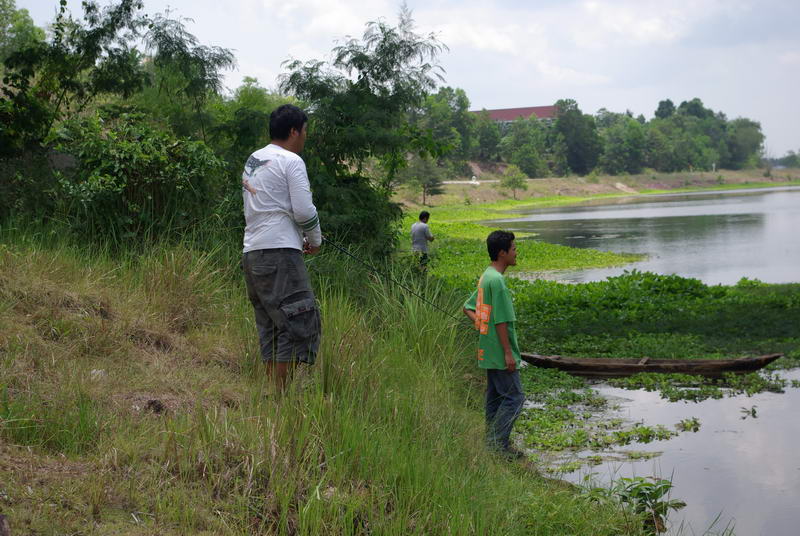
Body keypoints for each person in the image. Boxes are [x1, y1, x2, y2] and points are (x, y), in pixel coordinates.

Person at [241, 104, 322, 391]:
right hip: (280, 254)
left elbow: (264, 210)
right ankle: (282, 398)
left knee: (271, 326)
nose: (304, 137)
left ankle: (272, 398)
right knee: (298, 320)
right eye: (304, 132)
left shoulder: (253, 159)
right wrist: (315, 240)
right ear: (293, 131)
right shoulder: (291, 160)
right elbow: (303, 210)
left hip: (253, 253)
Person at [463, 230, 526, 459]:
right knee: (515, 398)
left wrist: (482, 327)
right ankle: (496, 446)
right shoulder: (497, 282)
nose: (516, 252)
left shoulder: (487, 275)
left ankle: (493, 444)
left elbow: (468, 308)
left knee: (496, 398)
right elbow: (500, 321)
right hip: (500, 352)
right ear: (502, 253)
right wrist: (508, 354)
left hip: (488, 350)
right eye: (513, 249)